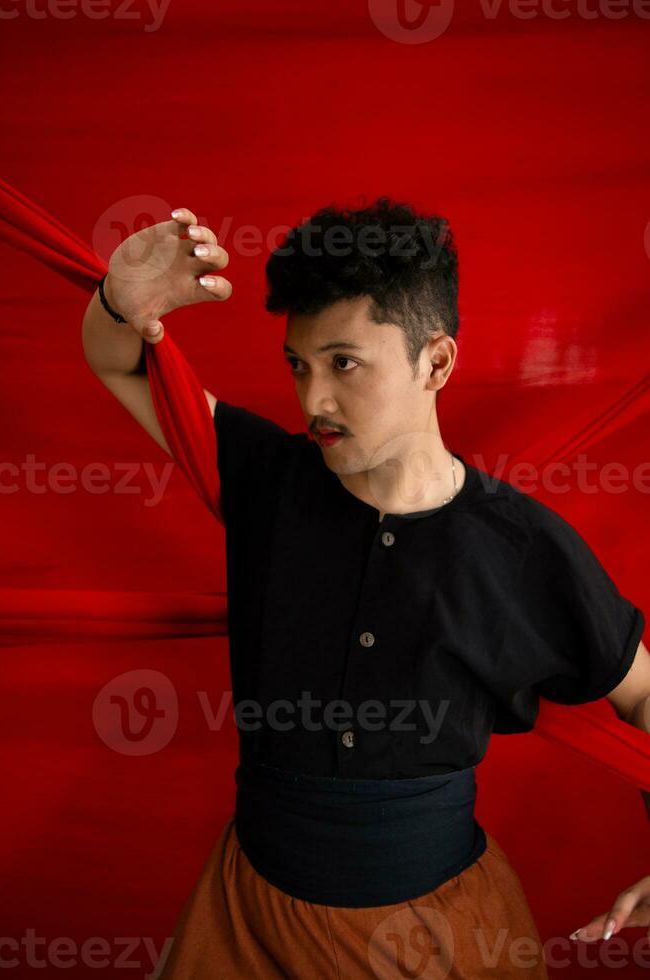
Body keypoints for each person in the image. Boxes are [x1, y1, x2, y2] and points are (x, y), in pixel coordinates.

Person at [82, 197, 647, 979]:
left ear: (437, 363)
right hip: (246, 922)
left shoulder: (521, 550)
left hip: (436, 939)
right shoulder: (265, 478)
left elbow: (644, 696)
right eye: (299, 365)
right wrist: (119, 301)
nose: (313, 400)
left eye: (344, 363)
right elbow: (118, 359)